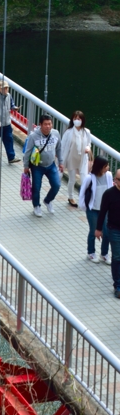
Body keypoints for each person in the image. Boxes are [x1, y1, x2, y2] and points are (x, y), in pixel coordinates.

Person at [23, 114, 63, 217]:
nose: (48, 126)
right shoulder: (33, 136)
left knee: (56, 185)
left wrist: (61, 162)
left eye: (50, 124)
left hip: (51, 165)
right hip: (37, 166)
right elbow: (27, 152)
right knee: (36, 187)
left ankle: (48, 200)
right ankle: (36, 205)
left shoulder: (56, 134)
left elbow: (59, 148)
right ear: (40, 125)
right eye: (45, 124)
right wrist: (26, 166)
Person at [81, 156, 113, 264]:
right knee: (93, 231)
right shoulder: (89, 178)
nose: (108, 167)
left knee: (107, 232)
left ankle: (104, 254)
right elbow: (82, 192)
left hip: (105, 210)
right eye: (106, 166)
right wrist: (84, 207)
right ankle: (91, 252)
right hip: (93, 209)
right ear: (100, 167)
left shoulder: (108, 175)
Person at [96, 168, 120, 298]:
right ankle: (118, 285)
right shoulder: (109, 194)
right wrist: (98, 229)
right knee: (117, 256)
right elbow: (102, 212)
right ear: (115, 180)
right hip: (114, 229)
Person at [61, 110, 92, 207]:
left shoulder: (86, 132)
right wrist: (62, 161)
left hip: (83, 159)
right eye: (75, 119)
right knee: (72, 179)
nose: (77, 120)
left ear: (82, 120)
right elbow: (63, 146)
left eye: (79, 119)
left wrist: (88, 148)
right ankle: (70, 197)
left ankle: (83, 199)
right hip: (71, 158)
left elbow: (89, 143)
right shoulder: (68, 132)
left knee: (84, 180)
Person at [0, 79, 20, 164]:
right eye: (4, 88)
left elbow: (11, 104)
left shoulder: (9, 95)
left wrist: (14, 108)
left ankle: (11, 157)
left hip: (7, 123)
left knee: (9, 139)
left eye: (7, 88)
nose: (6, 90)